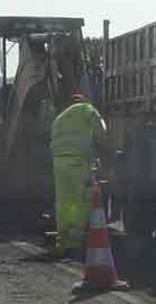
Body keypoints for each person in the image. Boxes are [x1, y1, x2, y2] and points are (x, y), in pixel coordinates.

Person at [49, 93, 112, 258]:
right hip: (77, 162)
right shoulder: (87, 109)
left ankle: (62, 241)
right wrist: (102, 146)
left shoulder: (59, 118)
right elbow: (101, 131)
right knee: (81, 200)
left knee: (64, 202)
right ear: (83, 101)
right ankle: (75, 243)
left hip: (59, 164)